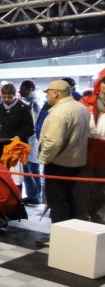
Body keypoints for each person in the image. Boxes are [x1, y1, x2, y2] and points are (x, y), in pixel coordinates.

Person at [38, 79, 90, 230]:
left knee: (57, 202)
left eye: (48, 93)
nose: (47, 96)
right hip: (77, 162)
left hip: (59, 163)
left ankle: (59, 237)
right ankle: (70, 235)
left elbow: (53, 142)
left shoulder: (59, 112)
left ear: (55, 93)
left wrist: (44, 159)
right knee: (70, 200)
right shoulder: (81, 108)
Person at [74, 69, 105, 223]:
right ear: (99, 83)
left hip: (103, 152)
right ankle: (81, 215)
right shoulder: (85, 102)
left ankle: (94, 213)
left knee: (102, 188)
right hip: (85, 149)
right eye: (104, 81)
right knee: (82, 187)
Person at [0, 83, 34, 161]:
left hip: (16, 146)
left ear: (14, 95)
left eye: (9, 97)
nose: (6, 99)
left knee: (14, 172)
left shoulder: (24, 109)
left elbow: (29, 128)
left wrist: (19, 136)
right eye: (4, 97)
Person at [19, 80, 43, 205]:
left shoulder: (35, 103)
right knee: (32, 168)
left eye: (22, 89)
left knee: (30, 168)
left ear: (30, 88)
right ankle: (34, 194)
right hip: (31, 141)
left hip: (32, 141)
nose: (20, 91)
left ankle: (34, 194)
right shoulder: (31, 102)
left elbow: (34, 124)